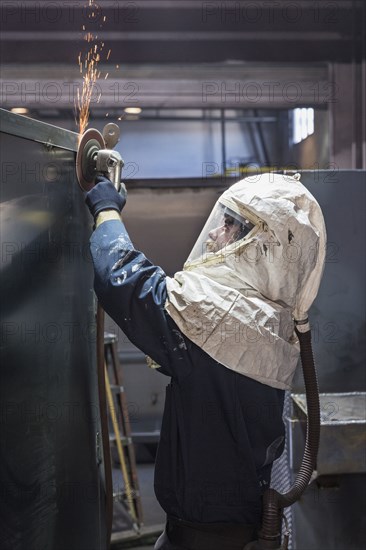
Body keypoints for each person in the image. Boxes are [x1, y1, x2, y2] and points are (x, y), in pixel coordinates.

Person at [85, 172, 326, 550]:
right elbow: (205, 375)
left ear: (260, 245)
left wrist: (106, 211)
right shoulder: (268, 322)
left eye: (229, 225)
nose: (214, 234)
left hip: (203, 538)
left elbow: (123, 280)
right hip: (239, 528)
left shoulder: (216, 319)